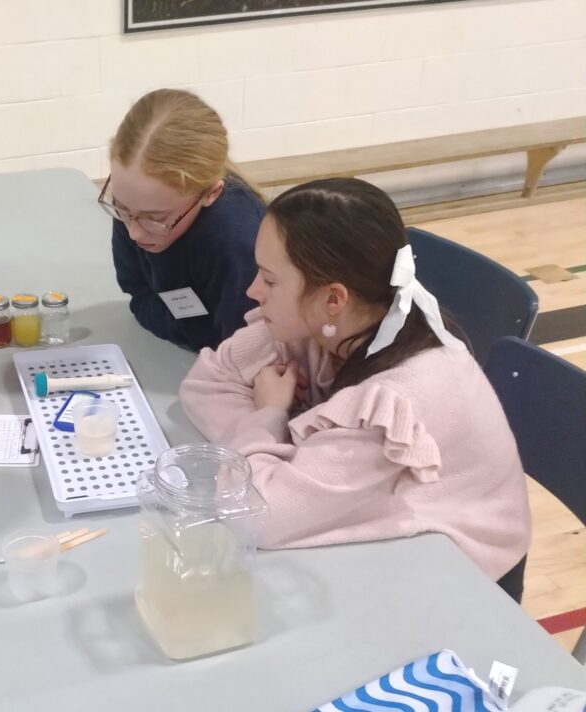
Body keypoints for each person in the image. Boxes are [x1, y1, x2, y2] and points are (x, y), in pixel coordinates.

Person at [179, 177, 531, 598]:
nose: (252, 291)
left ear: (333, 299)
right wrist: (273, 457)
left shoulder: (401, 392)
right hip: (391, 545)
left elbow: (253, 515)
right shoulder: (328, 322)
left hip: (462, 579)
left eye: (270, 280)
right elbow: (205, 385)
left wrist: (267, 418)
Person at [102, 88, 266, 351]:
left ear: (211, 194)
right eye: (121, 208)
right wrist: (194, 330)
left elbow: (239, 350)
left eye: (156, 219)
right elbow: (138, 294)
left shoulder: (238, 241)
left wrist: (189, 329)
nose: (134, 233)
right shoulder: (137, 206)